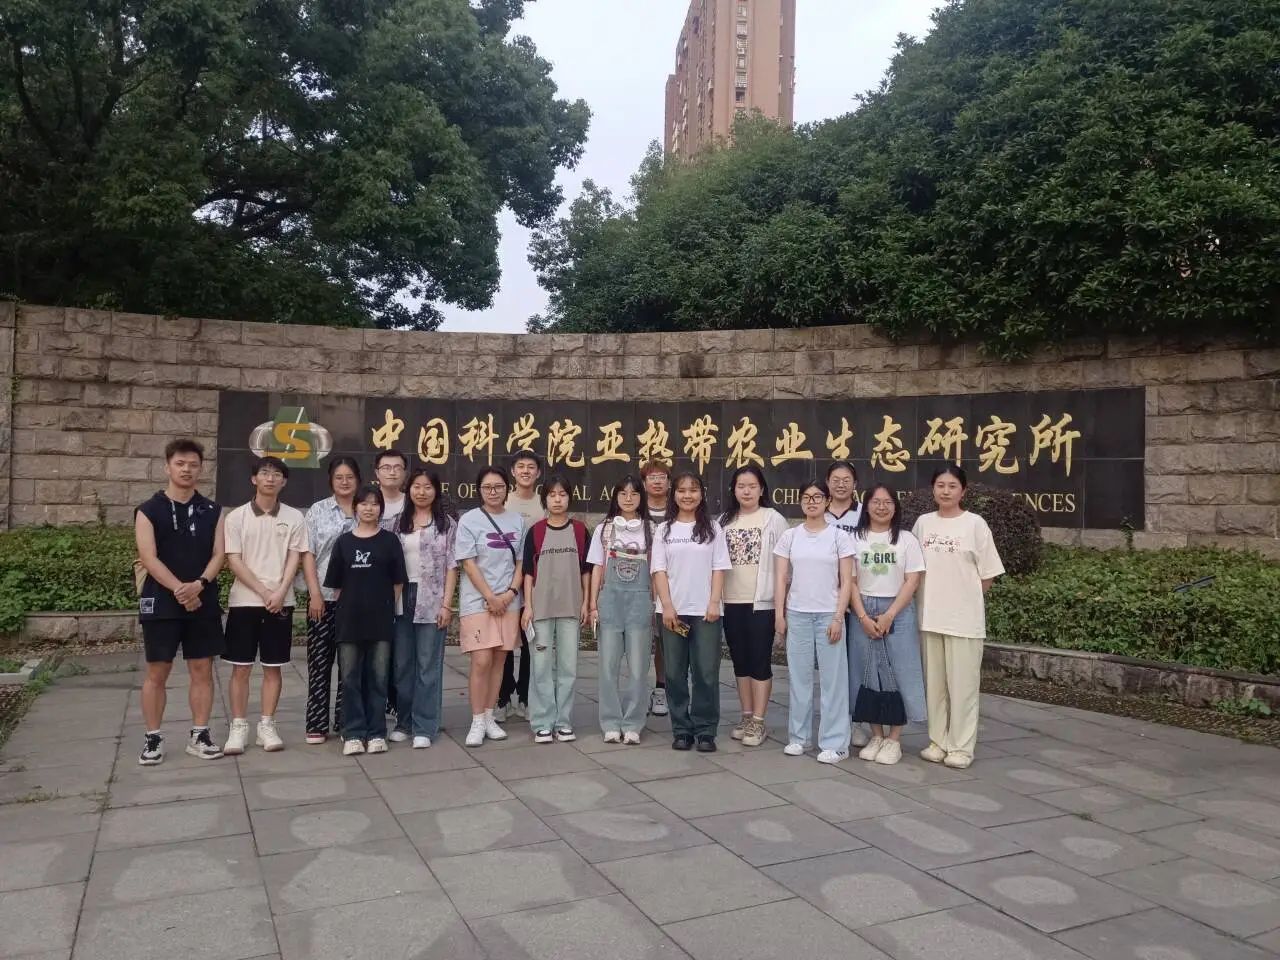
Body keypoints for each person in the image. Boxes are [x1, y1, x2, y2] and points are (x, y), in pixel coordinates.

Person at [133, 439, 226, 765]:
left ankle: (200, 734)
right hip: (161, 601)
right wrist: (179, 590)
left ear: (201, 469)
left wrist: (199, 585)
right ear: (167, 467)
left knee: (202, 669)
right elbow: (148, 557)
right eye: (180, 464)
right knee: (157, 670)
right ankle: (152, 739)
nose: (187, 470)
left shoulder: (213, 511)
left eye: (193, 465)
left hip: (203, 599)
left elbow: (220, 554)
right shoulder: (148, 510)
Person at [912, 465, 1005, 769]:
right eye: (940, 485)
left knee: (963, 688)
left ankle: (961, 748)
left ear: (963, 491)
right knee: (935, 686)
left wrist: (964, 599)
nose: (946, 491)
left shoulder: (975, 524)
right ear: (933, 489)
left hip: (964, 621)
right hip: (929, 617)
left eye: (952, 486)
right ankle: (938, 742)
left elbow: (988, 575)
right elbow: (913, 568)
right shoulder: (923, 524)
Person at [222, 456, 310, 754]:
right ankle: (238, 727)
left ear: (284, 482)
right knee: (241, 668)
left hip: (280, 602)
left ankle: (267, 725)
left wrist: (281, 591)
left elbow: (295, 557)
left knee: (274, 667)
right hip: (244, 601)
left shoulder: (294, 517)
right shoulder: (236, 518)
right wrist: (263, 591)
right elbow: (234, 560)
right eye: (264, 473)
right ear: (254, 479)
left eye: (276, 474)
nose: (270, 478)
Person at [773, 479, 855, 763]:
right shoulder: (790, 537)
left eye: (818, 497)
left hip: (828, 615)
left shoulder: (839, 537)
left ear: (827, 501)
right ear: (800, 502)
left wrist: (838, 617)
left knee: (833, 681)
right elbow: (781, 578)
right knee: (800, 680)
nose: (812, 502)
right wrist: (779, 615)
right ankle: (799, 738)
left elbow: (847, 581)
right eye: (807, 497)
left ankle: (835, 743)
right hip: (798, 613)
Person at [324, 483, 407, 755]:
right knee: (349, 678)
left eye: (374, 503)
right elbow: (337, 587)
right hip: (349, 621)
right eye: (364, 503)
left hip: (380, 622)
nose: (369, 508)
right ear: (355, 507)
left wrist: (385, 608)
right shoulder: (344, 542)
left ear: (380, 508)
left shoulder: (390, 541)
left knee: (378, 678)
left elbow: (398, 582)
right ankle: (353, 733)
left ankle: (376, 732)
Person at [651, 470, 731, 753]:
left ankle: (706, 730)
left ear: (702, 494)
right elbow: (659, 570)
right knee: (674, 673)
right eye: (682, 490)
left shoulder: (713, 528)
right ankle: (682, 730)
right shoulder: (664, 530)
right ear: (674, 494)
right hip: (672, 611)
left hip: (706, 612)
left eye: (693, 490)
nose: (688, 495)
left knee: (706, 672)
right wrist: (667, 606)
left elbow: (719, 568)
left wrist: (714, 602)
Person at [849, 484, 926, 766]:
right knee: (866, 673)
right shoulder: (854, 538)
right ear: (866, 505)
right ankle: (876, 735)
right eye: (876, 502)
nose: (881, 507)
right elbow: (849, 581)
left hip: (898, 610)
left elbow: (912, 580)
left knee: (899, 671)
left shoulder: (906, 539)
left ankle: (894, 738)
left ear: (895, 506)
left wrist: (890, 614)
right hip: (862, 610)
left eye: (888, 502)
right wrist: (862, 617)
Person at [455, 465, 526, 747]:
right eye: (487, 487)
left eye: (498, 486)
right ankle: (476, 721)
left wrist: (509, 594)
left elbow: (521, 562)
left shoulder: (517, 520)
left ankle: (489, 717)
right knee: (482, 660)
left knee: (499, 660)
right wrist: (491, 596)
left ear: (507, 489)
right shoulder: (469, 520)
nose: (493, 492)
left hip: (509, 601)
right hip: (478, 601)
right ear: (479, 490)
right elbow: (468, 563)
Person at [719, 465, 790, 748]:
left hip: (762, 603)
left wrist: (782, 608)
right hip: (731, 601)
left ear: (761, 489)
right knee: (740, 662)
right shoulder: (724, 521)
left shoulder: (774, 519)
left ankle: (759, 721)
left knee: (760, 661)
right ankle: (746, 716)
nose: (746, 491)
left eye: (752, 486)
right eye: (741, 486)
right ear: (733, 490)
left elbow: (786, 567)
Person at [521, 475, 590, 744]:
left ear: (569, 498)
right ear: (545, 499)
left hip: (571, 607)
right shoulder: (536, 532)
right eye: (552, 495)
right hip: (541, 609)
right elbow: (528, 573)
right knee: (540, 667)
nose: (557, 500)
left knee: (568, 667)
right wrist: (528, 607)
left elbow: (586, 571)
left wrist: (586, 602)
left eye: (562, 494)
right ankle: (542, 722)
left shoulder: (580, 531)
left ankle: (563, 722)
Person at [392, 470, 457, 748]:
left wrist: (447, 604)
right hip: (401, 596)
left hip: (432, 598)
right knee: (402, 665)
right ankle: (404, 722)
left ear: (436, 490)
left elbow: (452, 566)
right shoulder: (397, 522)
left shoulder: (447, 524)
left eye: (428, 487)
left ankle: (425, 726)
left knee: (428, 665)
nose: (421, 492)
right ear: (409, 490)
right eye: (417, 486)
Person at [588, 476, 653, 745]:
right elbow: (597, 567)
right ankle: (611, 722)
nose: (628, 498)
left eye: (634, 493)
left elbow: (657, 570)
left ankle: (634, 722)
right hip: (610, 601)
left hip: (640, 601)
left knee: (638, 666)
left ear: (641, 498)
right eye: (623, 493)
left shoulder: (651, 530)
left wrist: (655, 603)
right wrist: (593, 603)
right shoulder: (604, 529)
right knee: (608, 665)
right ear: (615, 497)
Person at [300, 457, 360, 744]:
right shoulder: (318, 510)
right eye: (339, 477)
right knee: (320, 664)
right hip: (322, 599)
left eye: (349, 477)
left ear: (358, 480)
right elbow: (308, 554)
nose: (345, 482)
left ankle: (345, 720)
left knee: (351, 666)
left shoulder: (367, 508)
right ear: (331, 481)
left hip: (357, 602)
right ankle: (316, 723)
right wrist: (314, 593)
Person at [824, 459, 868, 748]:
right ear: (827, 483)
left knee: (857, 662)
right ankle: (834, 719)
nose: (841, 485)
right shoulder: (819, 513)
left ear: (855, 484)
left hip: (859, 600)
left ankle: (857, 721)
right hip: (827, 600)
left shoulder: (865, 514)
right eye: (835, 480)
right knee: (832, 666)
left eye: (846, 480)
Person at [497, 449, 542, 721]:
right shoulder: (504, 500)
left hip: (535, 584)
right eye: (521, 466)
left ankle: (525, 697)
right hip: (506, 583)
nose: (526, 471)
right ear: (513, 472)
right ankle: (502, 697)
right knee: (504, 642)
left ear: (538, 473)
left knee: (529, 643)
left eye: (531, 467)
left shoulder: (544, 502)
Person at [640, 458, 671, 717]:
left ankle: (662, 689)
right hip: (638, 586)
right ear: (644, 483)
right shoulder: (635, 512)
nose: (657, 481)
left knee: (664, 641)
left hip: (670, 586)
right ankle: (638, 691)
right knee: (638, 641)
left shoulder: (678, 511)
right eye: (652, 477)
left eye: (662, 477)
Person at [374, 450, 409, 526]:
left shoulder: (411, 502)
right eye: (386, 468)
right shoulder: (366, 502)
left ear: (405, 473)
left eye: (397, 468)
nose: (392, 473)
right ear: (377, 473)